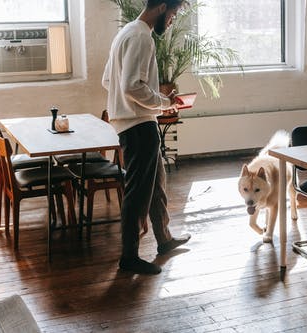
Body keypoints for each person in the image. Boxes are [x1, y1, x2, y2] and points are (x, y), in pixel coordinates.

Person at [102, 0, 190, 275]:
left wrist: (155, 99)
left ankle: (163, 239)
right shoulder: (141, 36)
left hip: (133, 122)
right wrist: (163, 102)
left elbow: (109, 80)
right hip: (139, 125)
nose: (173, 20)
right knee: (138, 191)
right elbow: (131, 86)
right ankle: (129, 257)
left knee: (156, 185)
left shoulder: (126, 32)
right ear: (162, 7)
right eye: (174, 13)